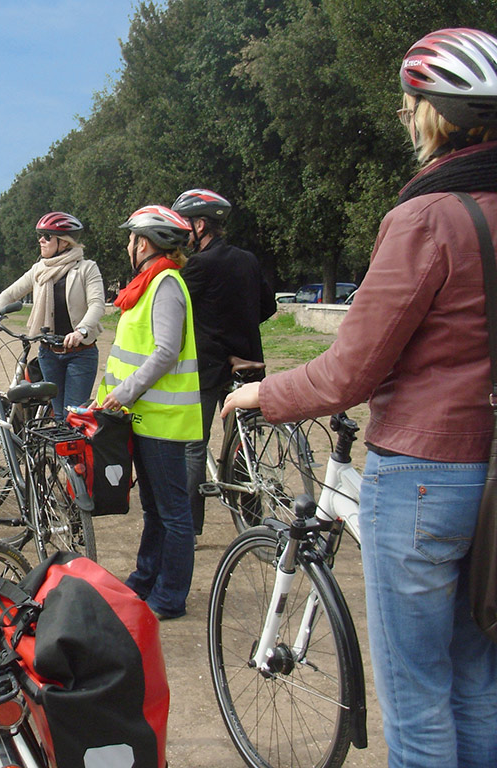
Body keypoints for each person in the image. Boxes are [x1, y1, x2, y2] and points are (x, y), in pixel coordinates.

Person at [223, 28, 497, 768]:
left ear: (432, 115)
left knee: (417, 697)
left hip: (423, 476)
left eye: (408, 107)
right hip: (492, 470)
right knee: (479, 679)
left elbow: (349, 373)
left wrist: (261, 395)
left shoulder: (427, 217)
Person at [94, 205, 201, 619]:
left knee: (173, 514)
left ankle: (170, 596)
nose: (127, 245)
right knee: (154, 509)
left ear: (144, 243)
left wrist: (124, 393)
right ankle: (145, 578)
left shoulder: (166, 284)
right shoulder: (148, 283)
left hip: (162, 420)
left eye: (131, 238)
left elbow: (166, 352)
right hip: (142, 416)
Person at [171, 188, 276, 541]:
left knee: (193, 446)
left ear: (200, 225)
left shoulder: (198, 265)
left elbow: (176, 307)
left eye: (185, 224)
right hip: (247, 363)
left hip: (208, 367)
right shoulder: (248, 259)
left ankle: (190, 527)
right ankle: (253, 518)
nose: (182, 233)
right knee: (243, 444)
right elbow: (268, 306)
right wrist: (239, 324)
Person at [0, 212, 106, 418]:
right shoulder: (39, 269)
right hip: (48, 353)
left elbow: (97, 305)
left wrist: (81, 331)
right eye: (40, 236)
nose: (41, 241)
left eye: (47, 236)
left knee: (72, 417)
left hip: (80, 353)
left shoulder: (87, 268)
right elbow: (10, 294)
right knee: (57, 415)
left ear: (64, 242)